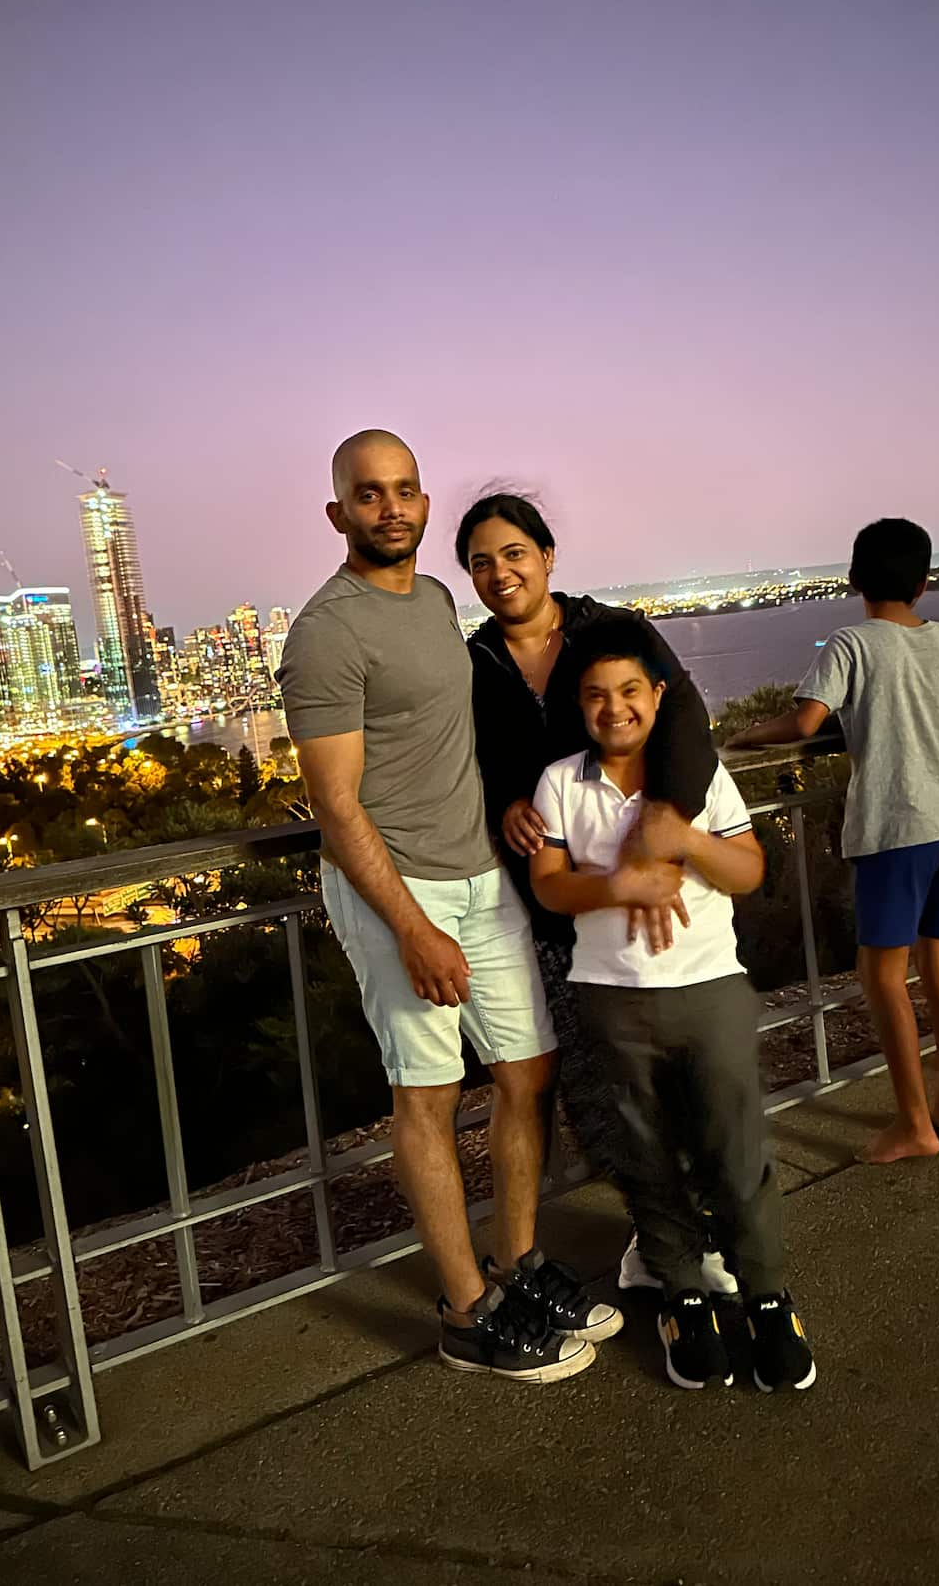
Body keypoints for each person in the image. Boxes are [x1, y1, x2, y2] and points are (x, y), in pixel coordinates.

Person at [279, 431, 619, 1384]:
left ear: (424, 502)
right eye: (369, 494)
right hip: (403, 891)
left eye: (406, 490)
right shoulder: (326, 632)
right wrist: (411, 924)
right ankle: (467, 1311)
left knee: (530, 1068)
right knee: (427, 1096)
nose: (391, 508)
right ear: (338, 512)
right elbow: (336, 804)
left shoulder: (434, 599)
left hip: (482, 877)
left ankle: (518, 1265)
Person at [456, 491, 734, 1296]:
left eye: (514, 552)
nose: (499, 572)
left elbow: (684, 718)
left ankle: (700, 1232)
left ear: (547, 555)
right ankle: (660, 1238)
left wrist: (664, 823)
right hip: (555, 902)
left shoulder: (608, 631)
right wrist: (502, 799)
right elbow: (470, 762)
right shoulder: (475, 662)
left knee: (677, 1073)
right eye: (481, 561)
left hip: (647, 891)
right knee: (600, 1085)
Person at [529, 619, 815, 1392]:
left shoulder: (696, 778)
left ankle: (766, 1296)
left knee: (736, 1148)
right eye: (595, 695)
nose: (613, 708)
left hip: (709, 986)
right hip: (611, 995)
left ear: (659, 694)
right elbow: (550, 884)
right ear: (578, 706)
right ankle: (682, 1294)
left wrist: (680, 840)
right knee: (643, 1152)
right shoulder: (562, 782)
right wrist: (620, 883)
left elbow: (749, 868)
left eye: (629, 690)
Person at [728, 518, 939, 1164]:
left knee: (884, 977)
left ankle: (914, 1123)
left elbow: (807, 720)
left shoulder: (851, 641)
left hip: (894, 830)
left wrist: (744, 736)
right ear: (925, 583)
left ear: (853, 578)